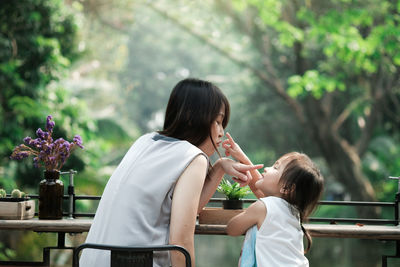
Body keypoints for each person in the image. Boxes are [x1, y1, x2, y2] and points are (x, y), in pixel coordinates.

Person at [79, 78, 263, 267]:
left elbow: (188, 212)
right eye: (217, 121)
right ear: (192, 117)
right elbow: (180, 242)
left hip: (91, 258)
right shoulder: (192, 157)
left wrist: (220, 167)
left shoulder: (145, 141)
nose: (221, 132)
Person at [223, 133, 324, 266]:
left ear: (287, 188)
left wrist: (246, 216)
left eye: (275, 167)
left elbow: (231, 229)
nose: (267, 168)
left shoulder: (263, 207)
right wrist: (242, 157)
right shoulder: (291, 211)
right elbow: (259, 187)